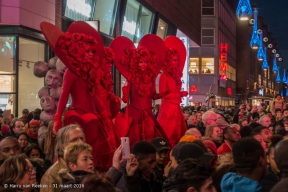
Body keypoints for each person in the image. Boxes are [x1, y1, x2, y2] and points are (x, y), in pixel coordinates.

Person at [41, 21, 119, 172]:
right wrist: (57, 118)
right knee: (75, 153)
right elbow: (64, 95)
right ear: (78, 51)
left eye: (92, 52)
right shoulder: (71, 72)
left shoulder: (90, 72)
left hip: (92, 116)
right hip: (76, 116)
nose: (90, 54)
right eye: (87, 51)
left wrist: (104, 115)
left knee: (93, 152)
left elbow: (94, 97)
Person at [111, 35, 168, 146]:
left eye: (145, 62)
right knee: (132, 136)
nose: (143, 64)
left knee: (150, 136)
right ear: (135, 63)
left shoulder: (150, 79)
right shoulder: (131, 79)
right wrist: (125, 94)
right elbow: (125, 97)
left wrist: (163, 94)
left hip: (147, 112)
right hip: (135, 111)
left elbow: (153, 96)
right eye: (140, 62)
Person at [157, 36, 188, 147]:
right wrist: (180, 93)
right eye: (174, 60)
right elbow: (163, 94)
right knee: (168, 135)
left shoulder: (174, 77)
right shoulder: (164, 76)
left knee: (179, 136)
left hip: (175, 108)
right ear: (168, 61)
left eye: (177, 60)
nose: (176, 63)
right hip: (168, 109)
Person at [40, 124, 85, 192]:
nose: (81, 142)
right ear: (63, 146)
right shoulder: (51, 176)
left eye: (82, 138)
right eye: (74, 140)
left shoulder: (87, 165)